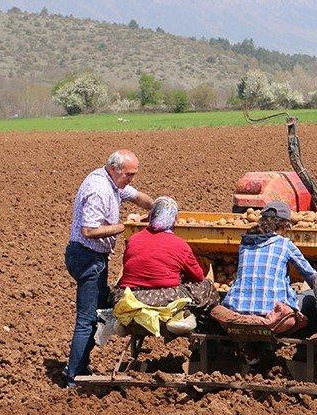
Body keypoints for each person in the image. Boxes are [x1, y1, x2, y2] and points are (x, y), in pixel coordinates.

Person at [64, 149, 154, 387]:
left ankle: (79, 365)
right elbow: (89, 231)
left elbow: (136, 196)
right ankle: (74, 377)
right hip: (86, 256)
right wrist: (122, 227)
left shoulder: (113, 182)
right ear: (114, 169)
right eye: (129, 174)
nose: (131, 179)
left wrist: (157, 209)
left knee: (101, 310)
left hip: (95, 257)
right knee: (87, 319)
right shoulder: (98, 189)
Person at [213, 200, 317, 334]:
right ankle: (301, 350)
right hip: (273, 317)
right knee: (310, 297)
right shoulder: (284, 244)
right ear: (284, 225)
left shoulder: (244, 243)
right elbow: (310, 275)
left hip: (237, 311)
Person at [114, 196, 217, 311]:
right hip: (160, 298)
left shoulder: (133, 239)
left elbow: (128, 266)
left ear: (151, 216)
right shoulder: (180, 245)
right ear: (174, 220)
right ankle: (206, 324)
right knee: (206, 287)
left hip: (128, 296)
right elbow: (198, 276)